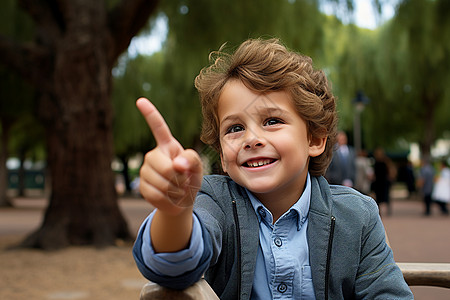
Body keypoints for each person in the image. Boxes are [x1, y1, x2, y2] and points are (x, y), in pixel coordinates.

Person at [133, 38, 412, 299]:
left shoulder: (357, 216)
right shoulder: (212, 199)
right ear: (221, 152)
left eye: (272, 121)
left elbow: (387, 292)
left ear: (314, 139)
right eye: (235, 128)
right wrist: (175, 212)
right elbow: (172, 268)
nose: (252, 139)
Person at [371, 147, 395, 216]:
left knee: (379, 198)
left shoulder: (377, 163)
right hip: (383, 182)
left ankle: (380, 211)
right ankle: (387, 210)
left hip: (379, 182)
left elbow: (375, 173)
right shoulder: (385, 162)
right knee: (386, 197)